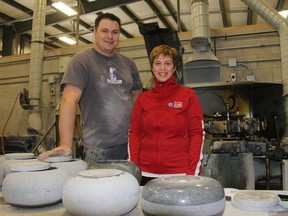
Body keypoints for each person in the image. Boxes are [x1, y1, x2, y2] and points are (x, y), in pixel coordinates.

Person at [39, 13, 143, 163]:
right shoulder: (82, 61)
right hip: (98, 148)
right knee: (98, 187)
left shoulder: (128, 64)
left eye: (115, 32)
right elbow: (68, 100)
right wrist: (65, 144)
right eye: (104, 31)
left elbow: (138, 97)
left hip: (129, 145)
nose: (110, 36)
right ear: (94, 32)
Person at [128, 45, 205, 185]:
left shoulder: (188, 96)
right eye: (158, 63)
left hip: (179, 174)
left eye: (167, 63)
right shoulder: (143, 99)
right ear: (152, 68)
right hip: (145, 174)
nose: (162, 68)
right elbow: (134, 133)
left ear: (174, 67)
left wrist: (191, 173)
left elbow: (197, 134)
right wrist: (134, 166)